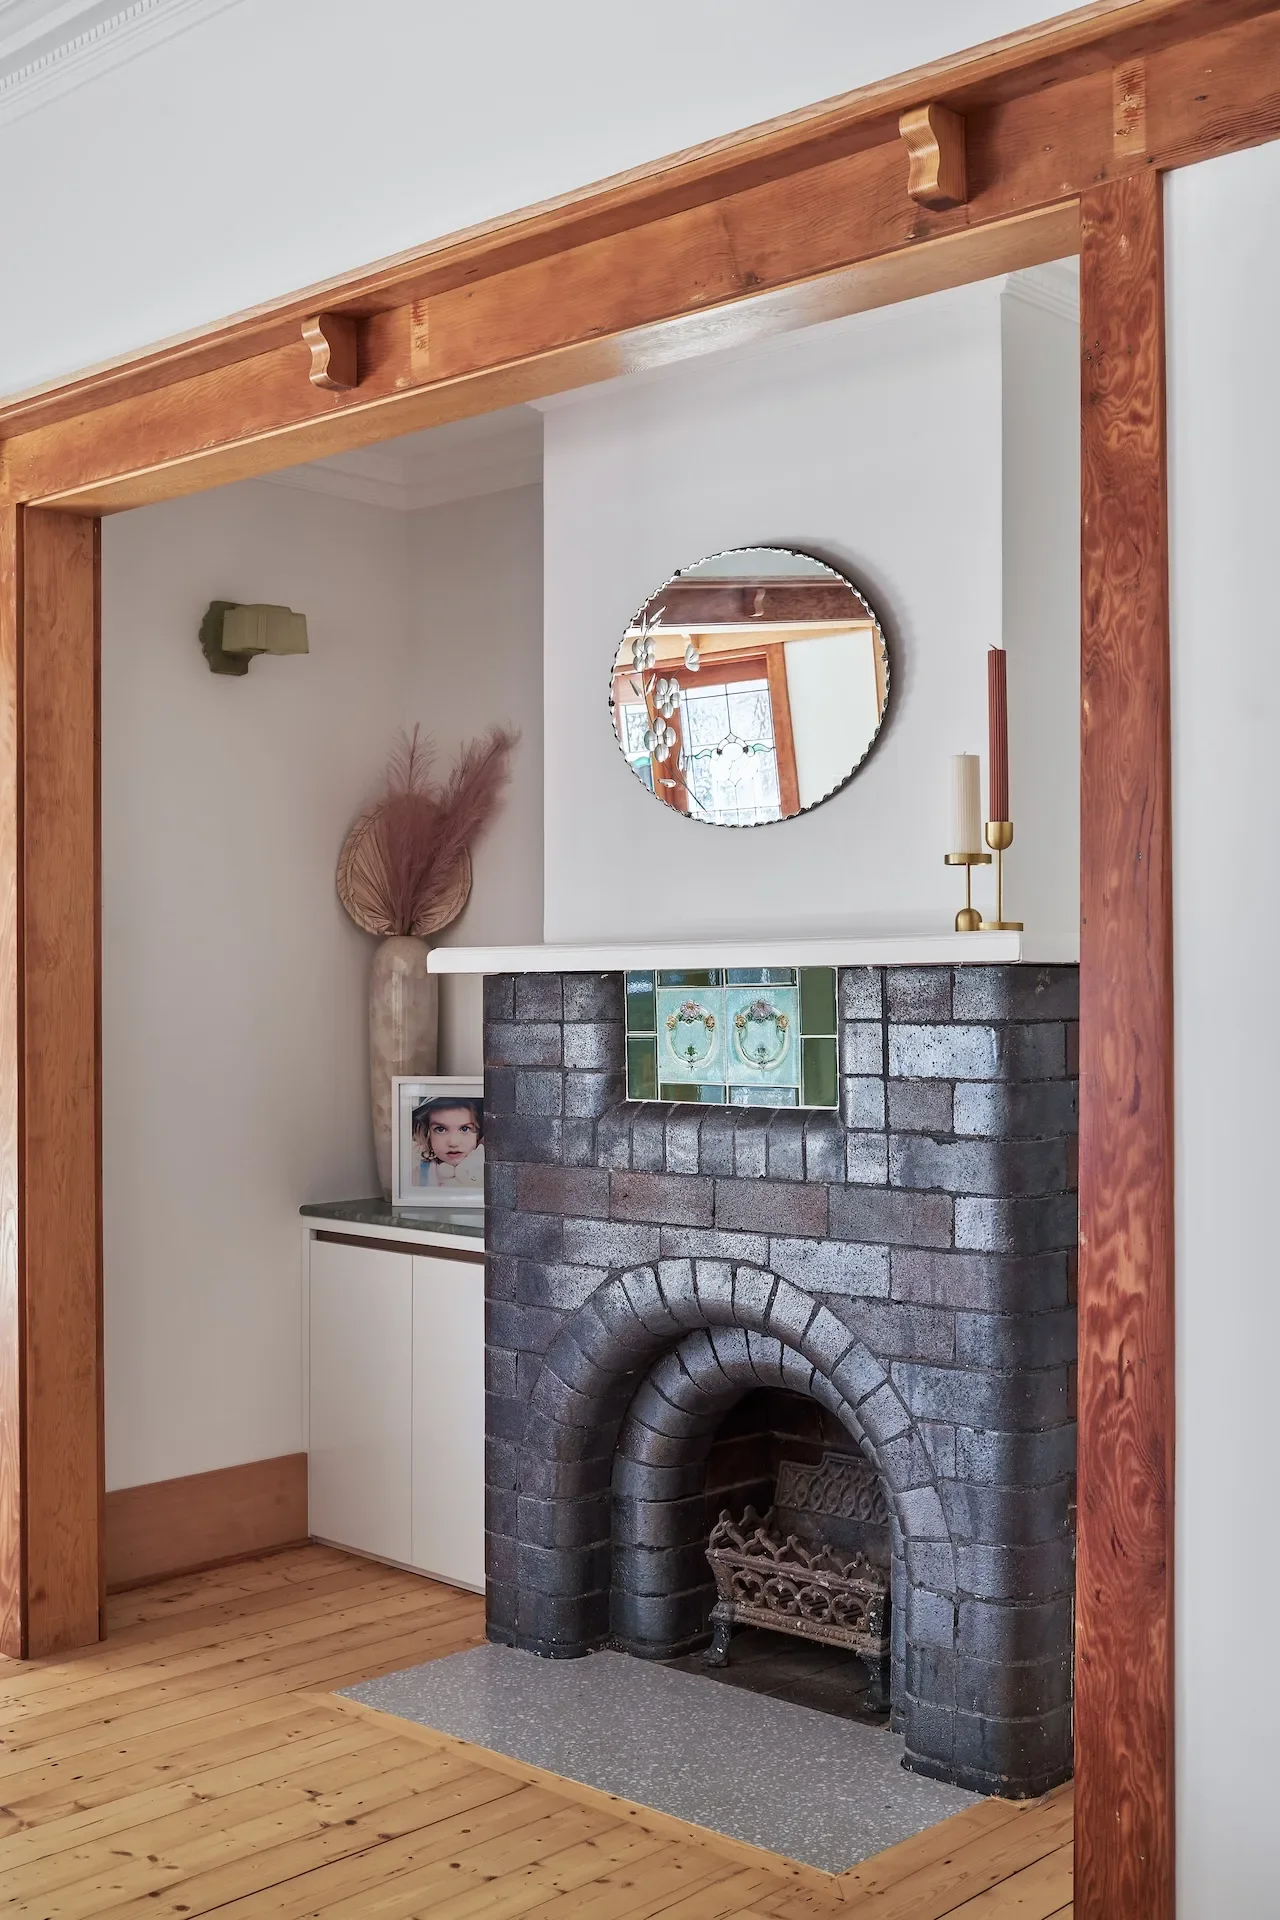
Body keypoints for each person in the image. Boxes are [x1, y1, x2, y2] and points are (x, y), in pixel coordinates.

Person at [411, 1096, 485, 1187]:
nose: (453, 1143)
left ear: (478, 1134)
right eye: (441, 1129)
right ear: (427, 1133)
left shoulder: (488, 1173)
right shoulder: (418, 1176)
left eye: (465, 1129)